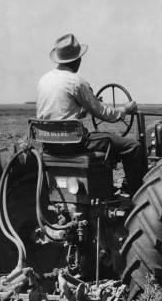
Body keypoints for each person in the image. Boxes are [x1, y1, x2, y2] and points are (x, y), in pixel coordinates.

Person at [36, 33, 145, 195]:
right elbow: (104, 113)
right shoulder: (76, 82)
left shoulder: (43, 80)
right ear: (78, 60)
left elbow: (60, 113)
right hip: (74, 144)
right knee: (133, 147)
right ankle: (139, 195)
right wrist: (125, 110)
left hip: (49, 144)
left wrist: (86, 107)